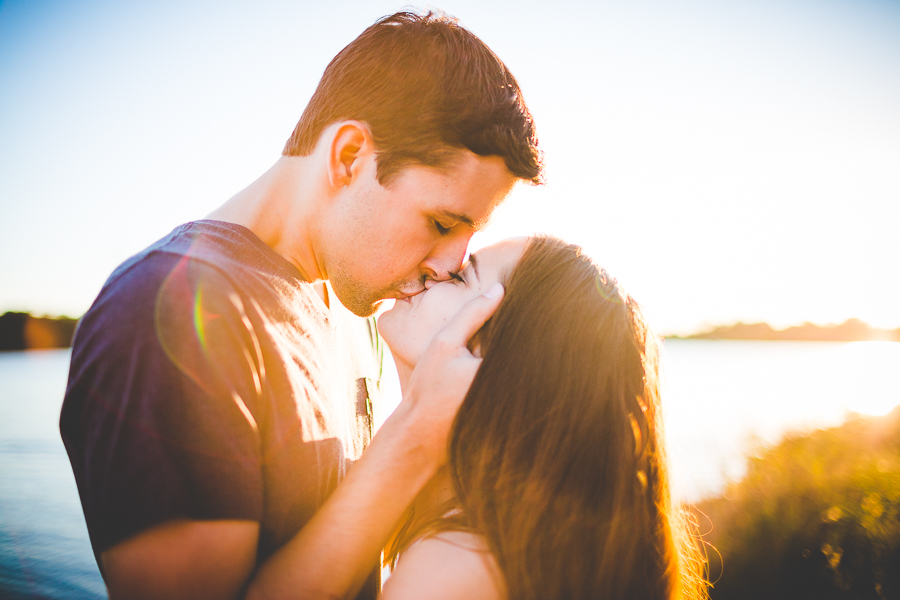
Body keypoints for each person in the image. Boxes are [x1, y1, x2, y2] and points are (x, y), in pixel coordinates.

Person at [59, 10, 542, 600]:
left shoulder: (354, 308)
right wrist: (415, 436)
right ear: (347, 155)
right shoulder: (166, 314)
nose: (448, 264)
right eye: (441, 223)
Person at [376, 236, 707, 600]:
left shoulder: (453, 570)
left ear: (494, 353)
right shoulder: (516, 550)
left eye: (461, 278)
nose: (430, 270)